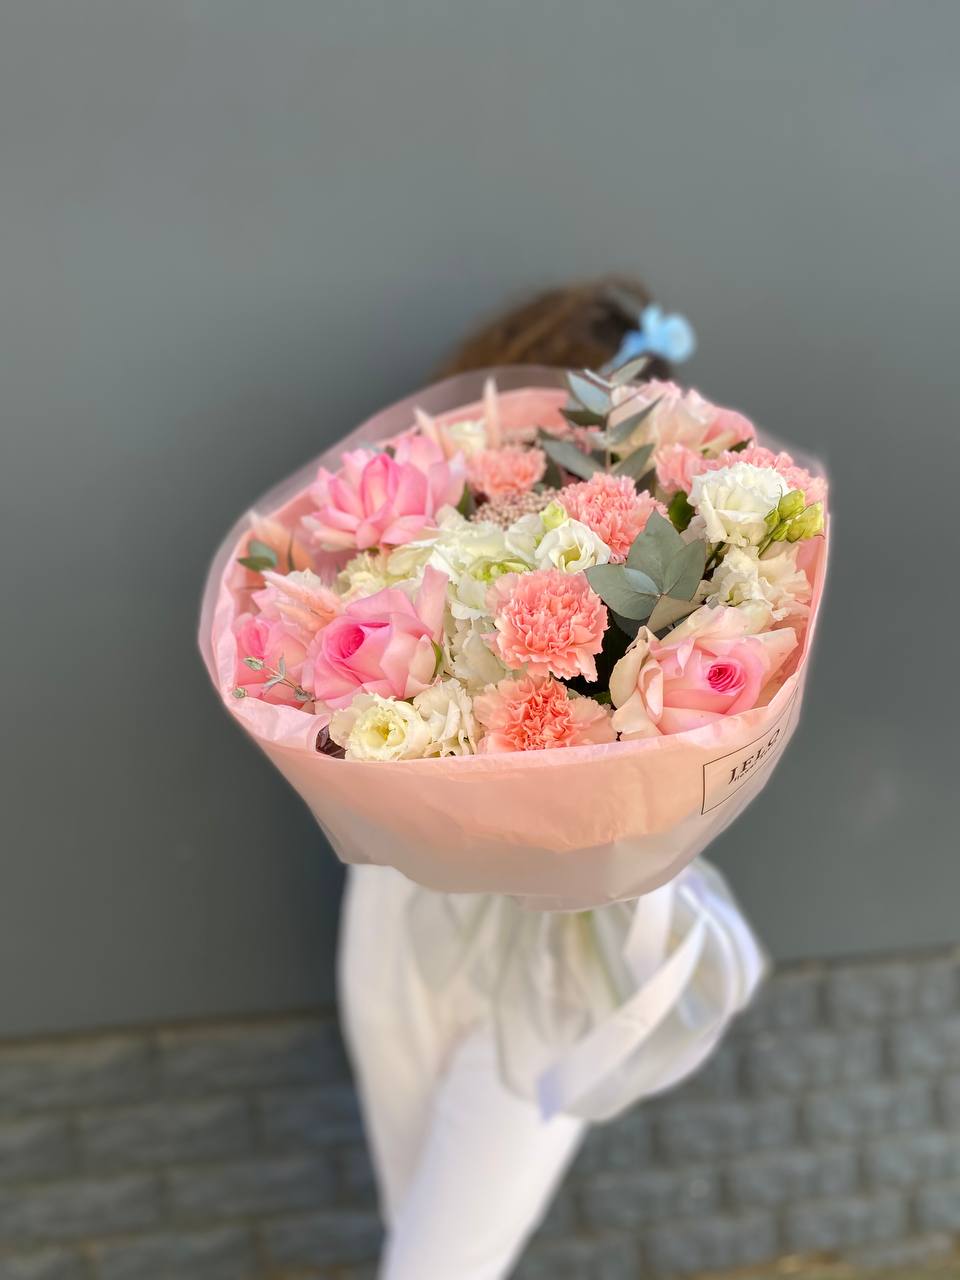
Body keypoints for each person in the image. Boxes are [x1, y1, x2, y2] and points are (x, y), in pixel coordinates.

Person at [338, 276, 764, 1280]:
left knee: (441, 1261)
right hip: (406, 905)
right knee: (420, 1229)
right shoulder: (420, 530)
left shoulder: (678, 555)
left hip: (556, 939)